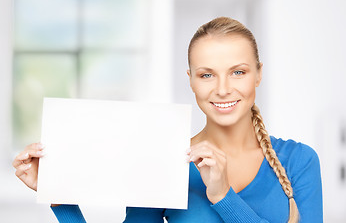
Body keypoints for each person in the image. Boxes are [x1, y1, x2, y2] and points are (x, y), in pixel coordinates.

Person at [13, 17, 323, 222]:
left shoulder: (300, 161)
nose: (224, 88)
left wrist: (222, 195)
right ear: (191, 80)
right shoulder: (161, 160)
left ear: (258, 74)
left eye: (238, 71)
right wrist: (56, 193)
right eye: (207, 74)